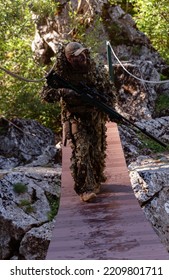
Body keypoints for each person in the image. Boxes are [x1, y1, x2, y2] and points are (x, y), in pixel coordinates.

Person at [41, 41, 116, 202]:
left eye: (82, 54)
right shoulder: (60, 73)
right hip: (74, 117)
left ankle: (95, 181)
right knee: (81, 152)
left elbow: (108, 91)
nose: (81, 58)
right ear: (68, 58)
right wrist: (64, 92)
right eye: (75, 57)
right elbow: (46, 95)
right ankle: (85, 189)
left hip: (94, 117)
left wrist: (110, 109)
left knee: (96, 151)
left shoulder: (94, 70)